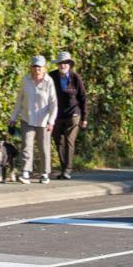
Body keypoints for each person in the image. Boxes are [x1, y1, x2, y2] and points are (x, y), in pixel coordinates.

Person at [9, 55, 58, 184]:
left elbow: (53, 103)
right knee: (26, 145)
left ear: (44, 68)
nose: (37, 69)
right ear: (31, 67)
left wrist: (51, 121)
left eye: (39, 67)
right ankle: (26, 172)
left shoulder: (49, 82)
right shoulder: (25, 80)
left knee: (43, 147)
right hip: (27, 117)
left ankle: (44, 173)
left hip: (44, 120)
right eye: (35, 66)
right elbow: (19, 100)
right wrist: (13, 118)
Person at [49, 51, 88, 179]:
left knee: (69, 140)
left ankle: (68, 170)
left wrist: (84, 117)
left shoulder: (75, 78)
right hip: (56, 115)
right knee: (58, 141)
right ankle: (63, 168)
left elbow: (83, 98)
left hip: (73, 114)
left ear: (69, 64)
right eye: (60, 63)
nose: (63, 65)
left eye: (65, 63)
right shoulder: (51, 77)